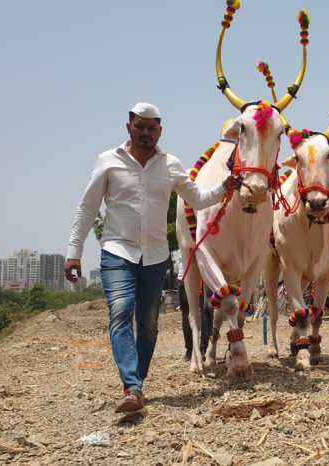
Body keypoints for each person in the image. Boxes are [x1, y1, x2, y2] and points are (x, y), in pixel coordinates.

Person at [64, 103, 242, 413]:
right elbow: (87, 208)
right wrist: (73, 252)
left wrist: (226, 187)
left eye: (152, 128)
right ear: (129, 127)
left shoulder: (171, 165)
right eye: (140, 127)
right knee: (120, 311)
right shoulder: (108, 162)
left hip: (156, 256)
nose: (146, 133)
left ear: (160, 131)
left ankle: (138, 383)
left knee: (147, 324)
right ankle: (132, 386)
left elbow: (197, 199)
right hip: (117, 250)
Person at [171, 249, 209, 361]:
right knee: (193, 313)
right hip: (189, 276)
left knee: (204, 312)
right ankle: (193, 349)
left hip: (203, 276)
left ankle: (199, 349)